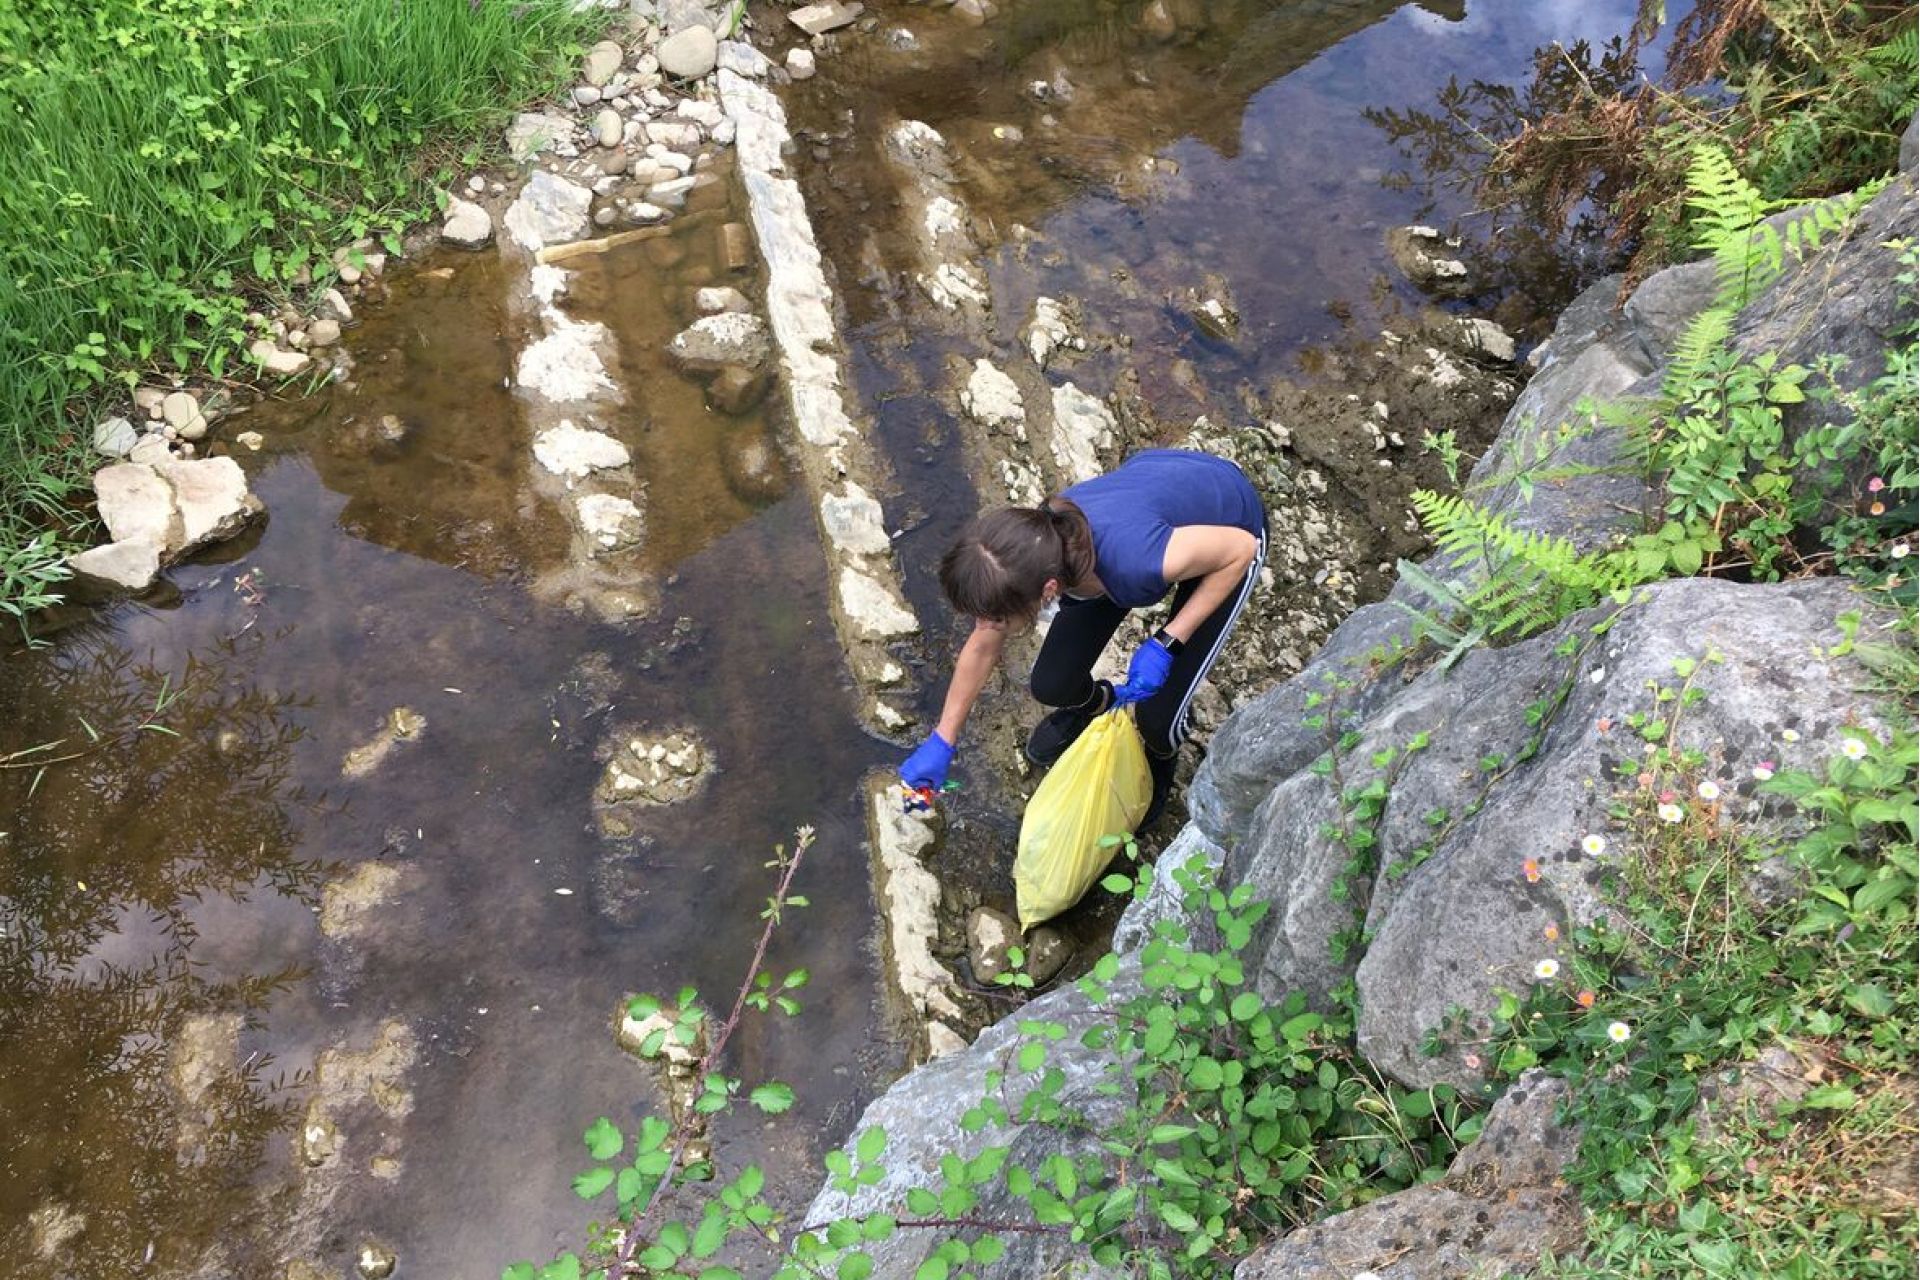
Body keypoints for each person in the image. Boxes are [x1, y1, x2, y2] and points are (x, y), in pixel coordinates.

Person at [899, 448, 1267, 826]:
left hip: (1230, 530)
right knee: (1053, 683)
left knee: (1160, 719)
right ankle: (1097, 706)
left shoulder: (1132, 565)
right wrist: (943, 738)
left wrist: (1168, 641)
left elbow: (1240, 550)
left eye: (994, 618)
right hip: (1158, 509)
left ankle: (1158, 759)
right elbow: (982, 644)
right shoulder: (1038, 548)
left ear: (1049, 590)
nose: (986, 625)